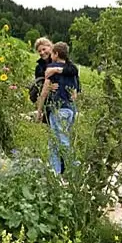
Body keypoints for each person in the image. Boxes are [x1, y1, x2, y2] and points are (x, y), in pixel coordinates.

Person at [36, 41, 80, 174]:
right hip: (70, 109)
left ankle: (75, 167)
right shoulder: (70, 68)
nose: (42, 53)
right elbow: (76, 88)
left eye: (45, 50)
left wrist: (39, 111)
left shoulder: (52, 68)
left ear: (54, 53)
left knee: (61, 140)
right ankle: (56, 173)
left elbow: (43, 93)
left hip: (58, 108)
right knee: (53, 143)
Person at [29, 37, 53, 123]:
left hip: (59, 98)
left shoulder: (57, 61)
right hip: (46, 100)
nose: (42, 52)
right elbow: (38, 84)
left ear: (50, 47)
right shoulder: (38, 67)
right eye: (39, 51)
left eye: (44, 49)